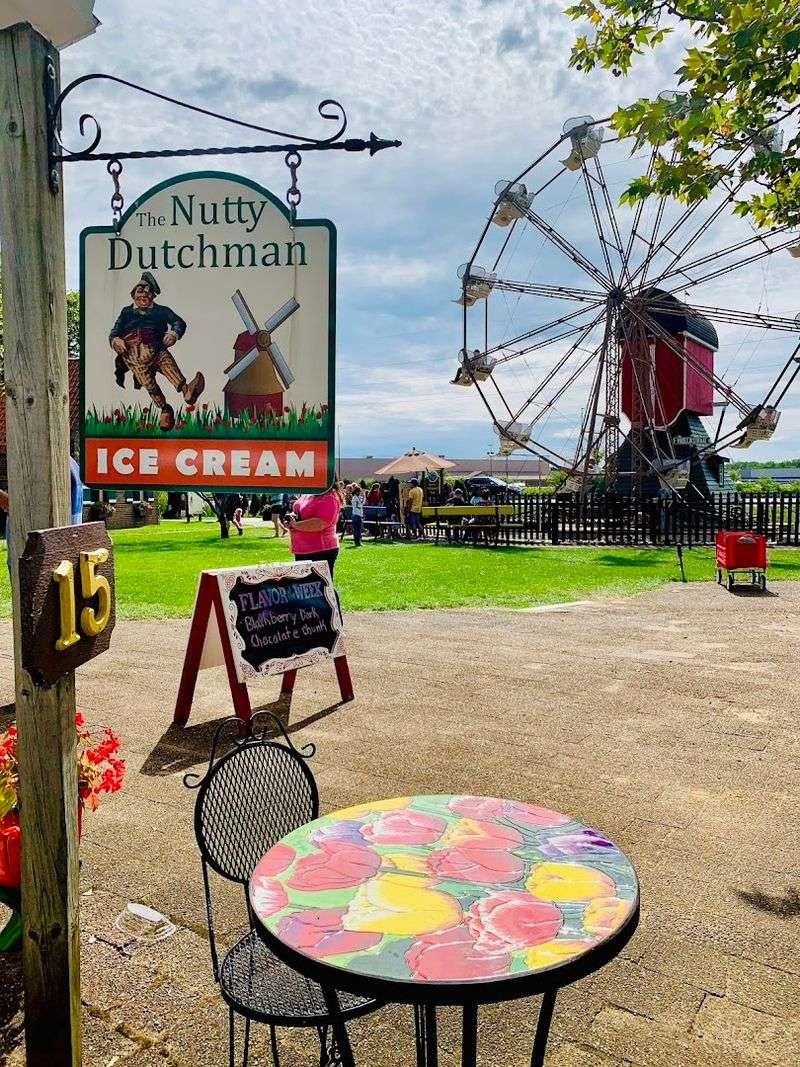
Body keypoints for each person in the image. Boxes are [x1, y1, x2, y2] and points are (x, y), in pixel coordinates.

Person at [108, 270, 204, 431]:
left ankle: (188, 392)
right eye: (140, 292)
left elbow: (179, 322)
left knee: (171, 369)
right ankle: (165, 410)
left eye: (148, 293)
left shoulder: (161, 311)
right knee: (149, 385)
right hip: (134, 357)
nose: (143, 296)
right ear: (133, 294)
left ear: (153, 296)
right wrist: (115, 340)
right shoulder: (126, 312)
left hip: (157, 350)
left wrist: (173, 333)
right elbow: (114, 332)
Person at [284, 484, 343, 577]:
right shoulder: (309, 493)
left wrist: (295, 525)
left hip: (321, 550)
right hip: (301, 549)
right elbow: (299, 511)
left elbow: (321, 522)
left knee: (322, 587)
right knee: (306, 586)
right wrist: (291, 518)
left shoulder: (329, 496)